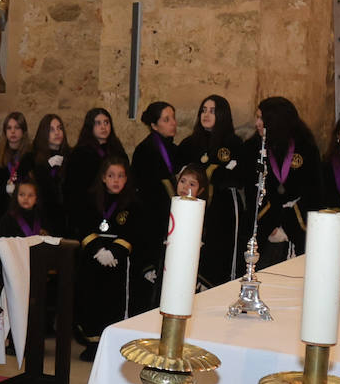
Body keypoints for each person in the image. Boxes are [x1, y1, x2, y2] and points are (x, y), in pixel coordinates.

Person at [73, 156, 136, 361]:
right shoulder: (91, 199)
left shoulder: (133, 202)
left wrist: (114, 252)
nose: (115, 180)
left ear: (126, 178)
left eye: (120, 176)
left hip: (117, 262)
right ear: (103, 178)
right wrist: (99, 251)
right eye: (111, 176)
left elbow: (134, 231)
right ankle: (92, 343)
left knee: (112, 301)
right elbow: (83, 224)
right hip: (93, 259)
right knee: (91, 300)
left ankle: (113, 342)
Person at [247, 96, 321, 267]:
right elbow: (253, 191)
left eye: (261, 118)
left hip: (297, 227)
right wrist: (271, 225)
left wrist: (289, 225)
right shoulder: (253, 148)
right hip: (265, 229)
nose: (257, 123)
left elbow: (314, 191)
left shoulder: (306, 147)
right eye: (257, 117)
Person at [178, 95, 244, 284]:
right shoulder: (188, 144)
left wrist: (217, 175)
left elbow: (238, 177)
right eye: (204, 110)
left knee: (219, 255)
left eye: (212, 111)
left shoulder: (233, 143)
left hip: (222, 210)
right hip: (193, 210)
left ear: (222, 115)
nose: (206, 114)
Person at [130, 101, 181, 311]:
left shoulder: (175, 149)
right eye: (166, 120)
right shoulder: (145, 150)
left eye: (173, 118)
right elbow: (143, 189)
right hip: (152, 219)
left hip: (171, 216)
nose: (173, 123)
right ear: (154, 125)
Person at [64, 107, 127, 231]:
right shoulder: (80, 153)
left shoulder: (117, 150)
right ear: (90, 126)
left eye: (106, 122)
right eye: (98, 123)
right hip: (89, 207)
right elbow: (73, 187)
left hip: (115, 206)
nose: (103, 127)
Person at [0, 111, 33, 236]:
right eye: (9, 128)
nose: (13, 132)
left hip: (22, 210)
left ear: (23, 131)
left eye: (17, 128)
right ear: (4, 131)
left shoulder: (31, 157)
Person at [30, 113, 70, 234]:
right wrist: (46, 167)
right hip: (42, 217)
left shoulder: (71, 156)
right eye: (51, 129)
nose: (57, 132)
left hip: (65, 217)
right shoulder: (33, 157)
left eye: (59, 128)